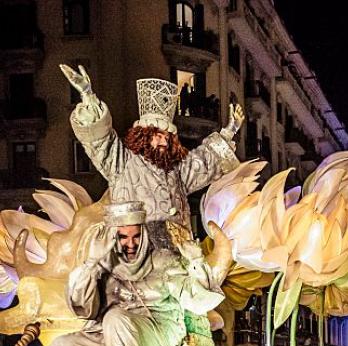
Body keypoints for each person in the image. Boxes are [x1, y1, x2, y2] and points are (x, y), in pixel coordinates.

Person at [3, 202, 205, 346]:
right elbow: (83, 308)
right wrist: (91, 265)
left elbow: (198, 301)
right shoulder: (103, 265)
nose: (130, 244)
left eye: (136, 236)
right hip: (111, 333)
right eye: (123, 237)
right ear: (113, 237)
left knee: (116, 318)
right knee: (64, 345)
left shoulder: (163, 260)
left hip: (159, 330)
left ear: (144, 234)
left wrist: (197, 263)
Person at [61, 64, 243, 248]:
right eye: (158, 136)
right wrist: (87, 95)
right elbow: (100, 141)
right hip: (136, 256)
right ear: (144, 136)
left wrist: (230, 131)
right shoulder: (121, 163)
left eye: (167, 137)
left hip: (178, 253)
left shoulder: (176, 171)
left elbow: (203, 162)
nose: (164, 142)